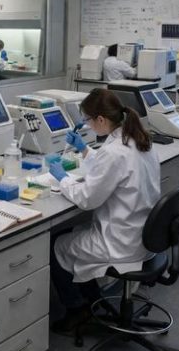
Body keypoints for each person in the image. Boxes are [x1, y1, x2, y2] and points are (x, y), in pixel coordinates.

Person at [47, 88, 160, 335]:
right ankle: (93, 300)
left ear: (100, 119)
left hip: (121, 243)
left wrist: (62, 178)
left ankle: (77, 309)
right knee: (69, 233)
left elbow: (87, 199)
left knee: (55, 245)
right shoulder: (139, 139)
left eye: (87, 120)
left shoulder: (113, 151)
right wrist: (85, 150)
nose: (87, 125)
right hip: (143, 235)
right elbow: (110, 170)